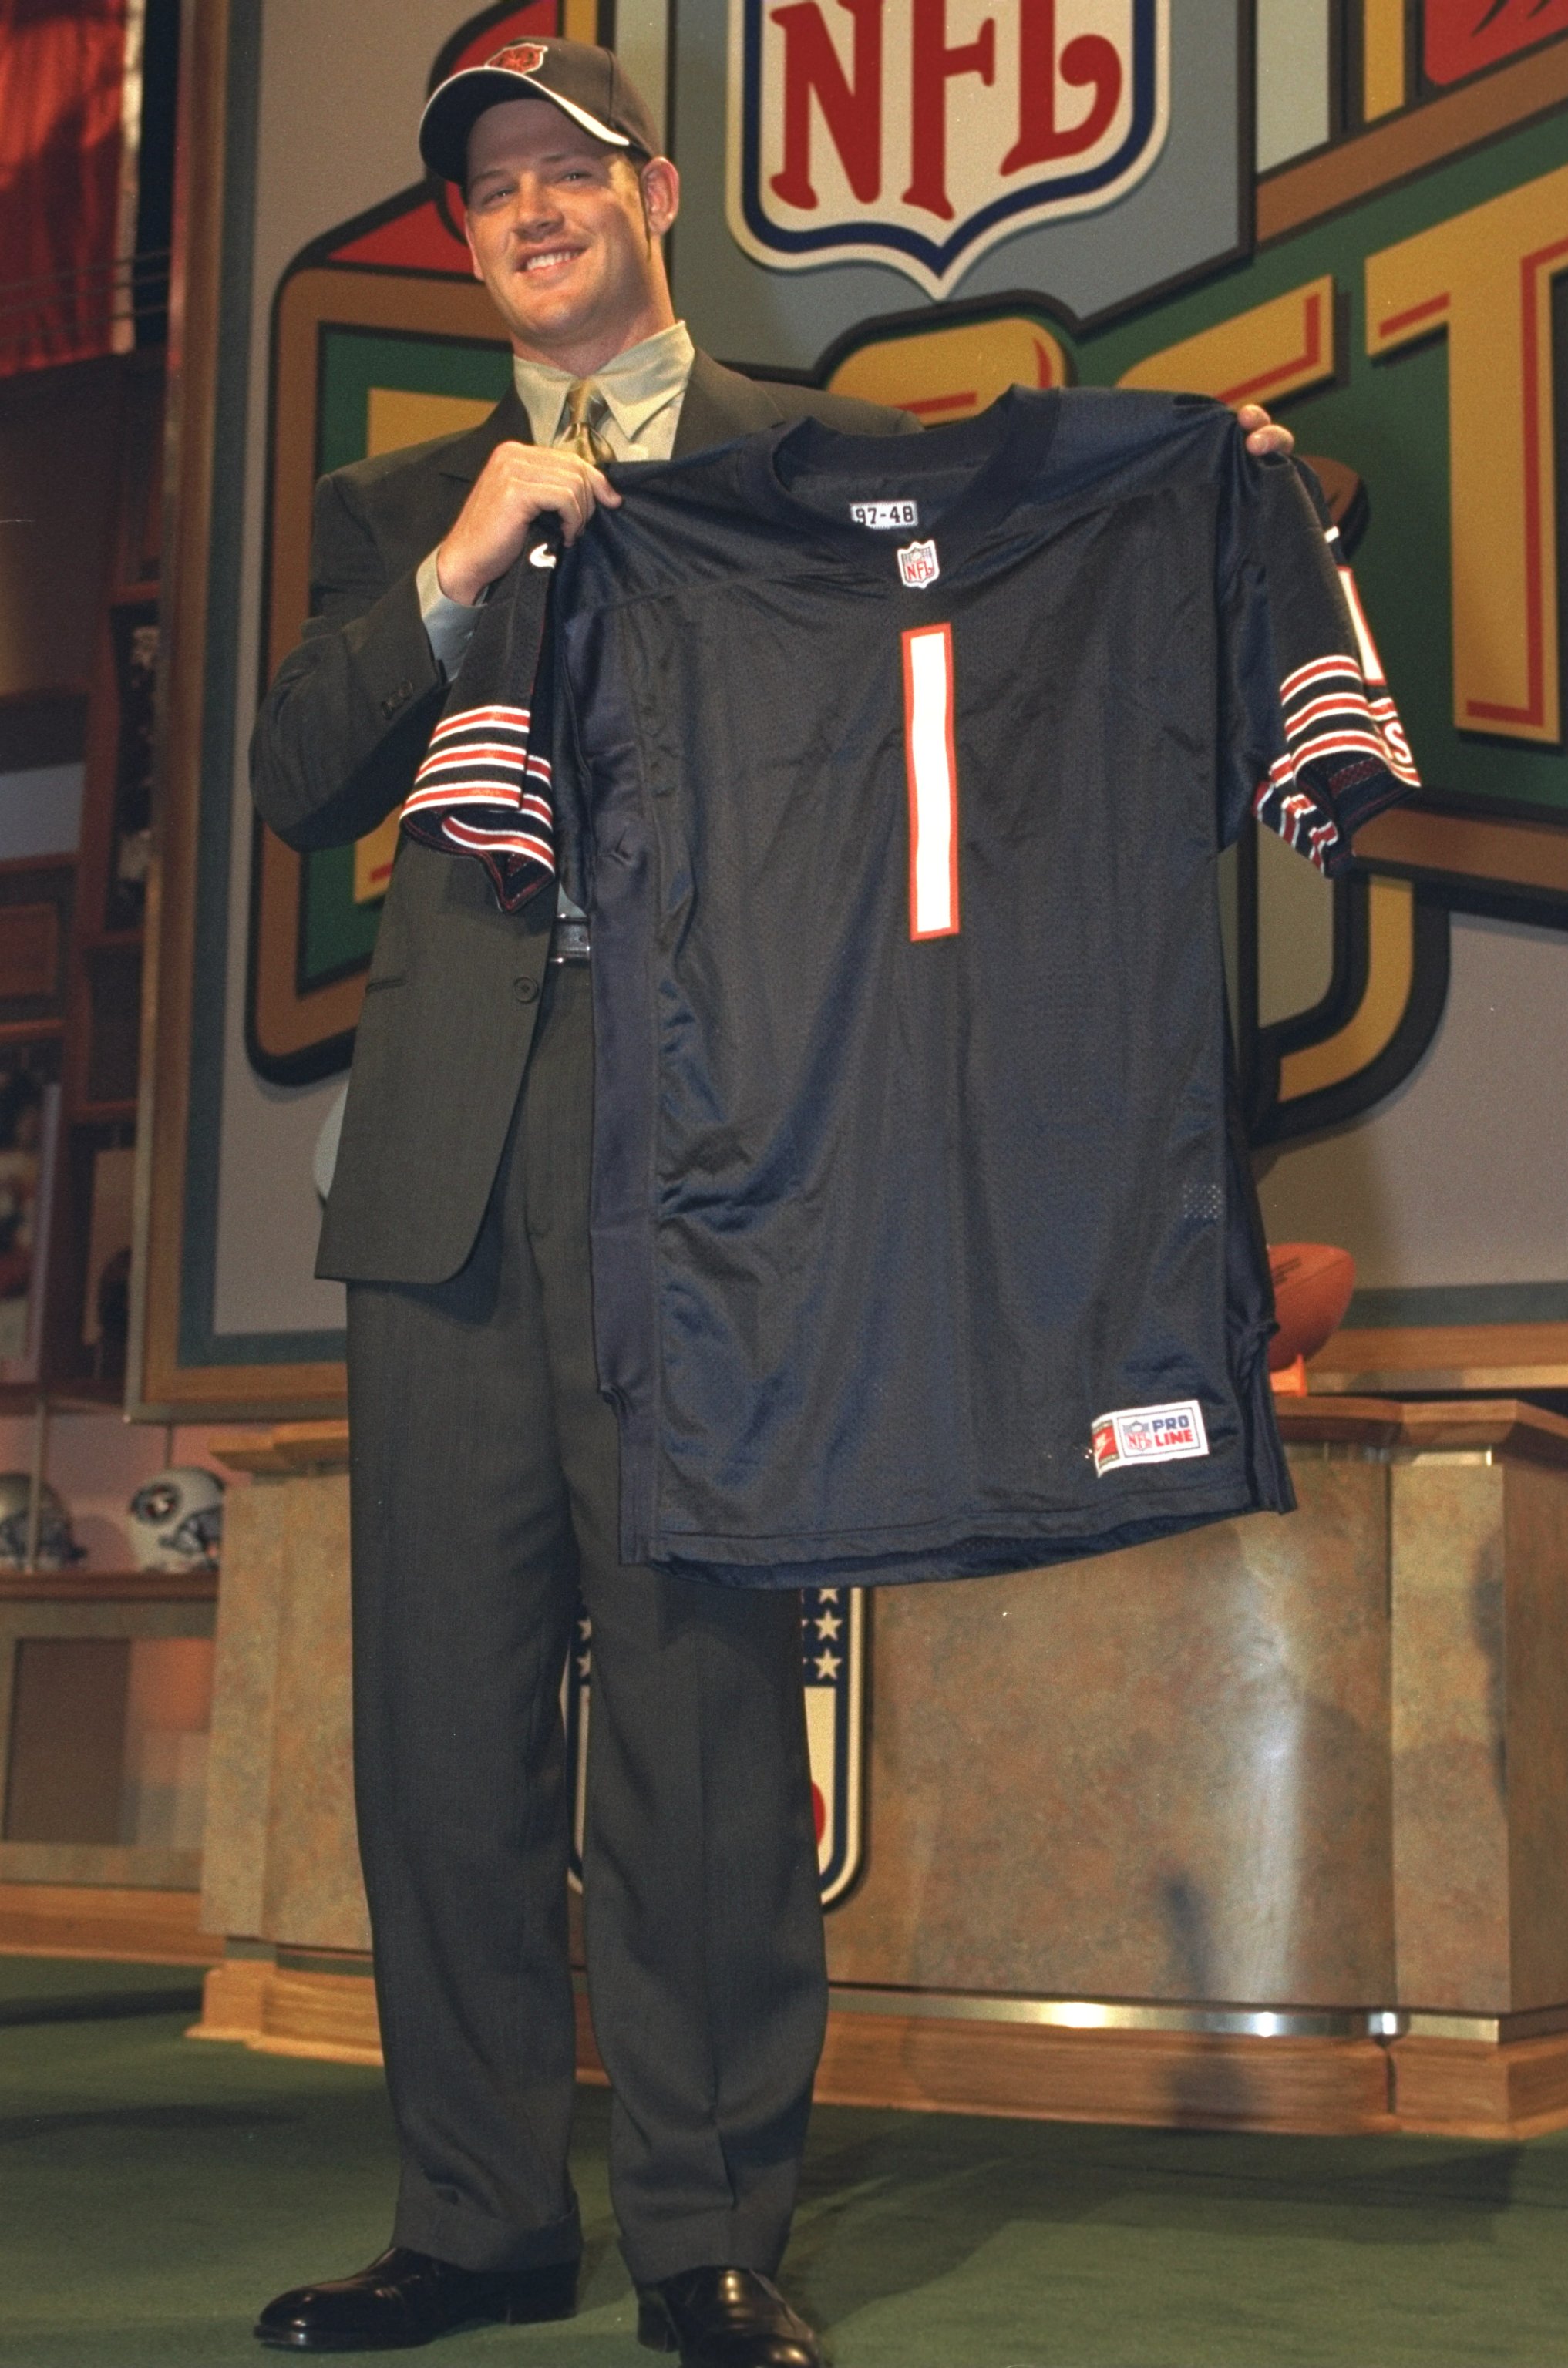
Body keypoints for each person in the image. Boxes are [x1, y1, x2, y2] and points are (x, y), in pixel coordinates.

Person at [249, 39, 1293, 2366]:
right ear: (465, 238)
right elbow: (298, 775)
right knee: (443, 1729)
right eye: (486, 186)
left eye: (566, 168)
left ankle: (710, 2235)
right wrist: (452, 568)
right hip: (441, 1175)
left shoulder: (802, 463)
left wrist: (1210, 489)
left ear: (662, 193)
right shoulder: (392, 492)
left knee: (708, 1715)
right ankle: (478, 2216)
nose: (526, 206)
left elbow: (1011, 586)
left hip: (726, 1164)